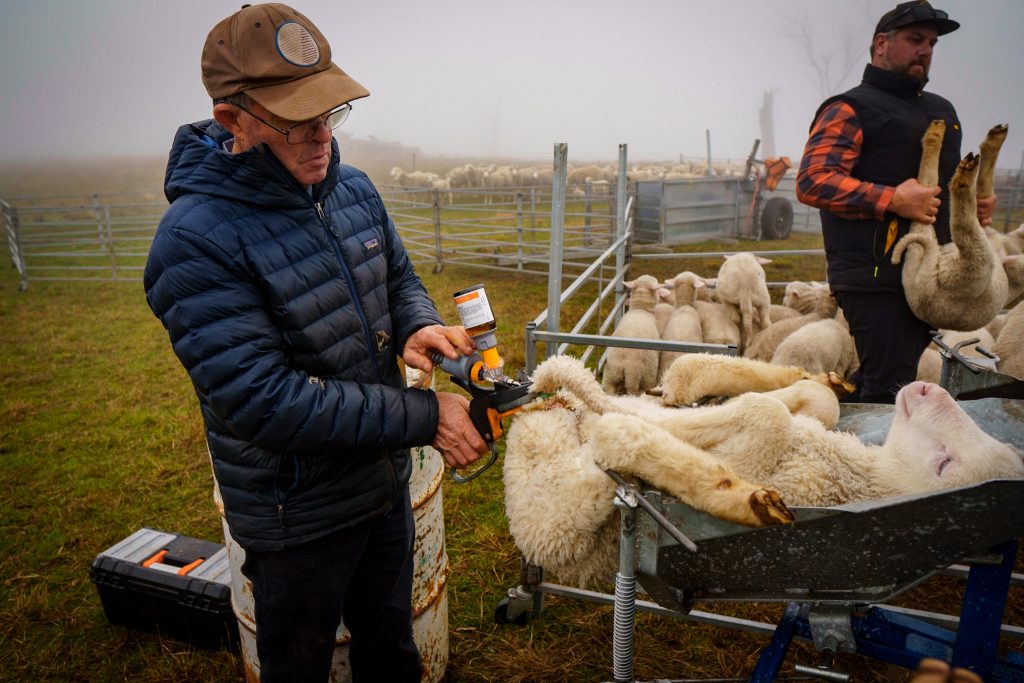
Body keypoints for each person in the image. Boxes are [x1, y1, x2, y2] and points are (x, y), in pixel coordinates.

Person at [142, 4, 488, 681]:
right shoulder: (195, 240)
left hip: (379, 484)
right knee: (298, 663)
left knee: (391, 645)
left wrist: (416, 321)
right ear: (232, 120)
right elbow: (263, 401)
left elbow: (397, 275)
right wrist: (427, 416)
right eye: (295, 118)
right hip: (295, 511)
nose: (320, 134)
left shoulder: (351, 190)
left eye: (328, 111)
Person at [796, 1, 996, 404]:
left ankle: (834, 426)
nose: (925, 50)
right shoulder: (850, 108)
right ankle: (855, 458)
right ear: (882, 44)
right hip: (875, 278)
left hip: (930, 276)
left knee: (888, 380)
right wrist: (892, 199)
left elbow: (948, 185)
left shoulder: (942, 111)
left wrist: (971, 207)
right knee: (892, 391)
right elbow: (813, 180)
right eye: (915, 39)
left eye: (932, 43)